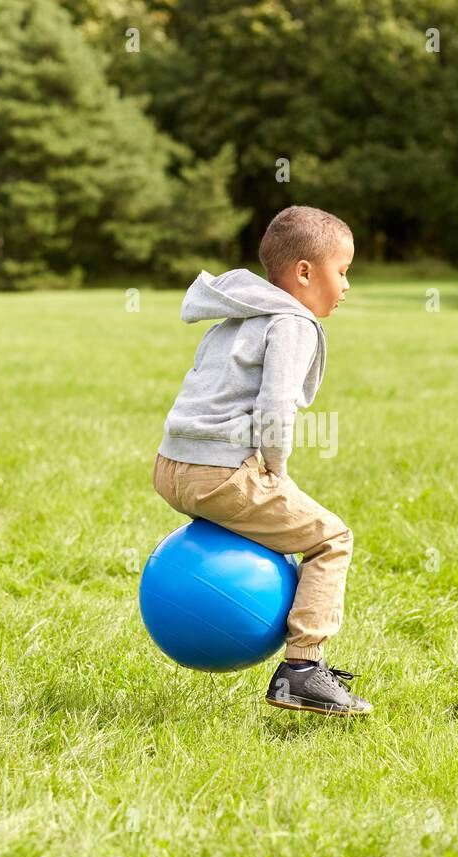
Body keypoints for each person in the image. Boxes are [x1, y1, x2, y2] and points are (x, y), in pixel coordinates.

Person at [151, 205, 371, 716]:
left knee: (284, 521)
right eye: (343, 271)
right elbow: (275, 406)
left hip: (170, 466)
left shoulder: (237, 316)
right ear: (304, 272)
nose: (346, 286)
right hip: (222, 473)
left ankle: (301, 672)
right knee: (331, 538)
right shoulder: (293, 324)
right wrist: (276, 470)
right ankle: (302, 670)